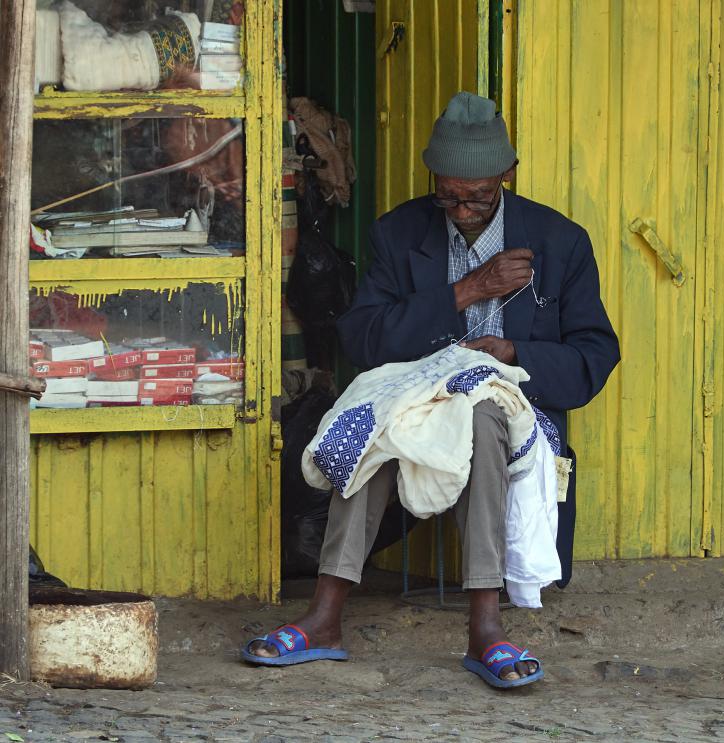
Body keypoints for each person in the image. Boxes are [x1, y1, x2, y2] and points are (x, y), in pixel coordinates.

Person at [243, 91, 619, 688]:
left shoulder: (559, 242)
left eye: (477, 197)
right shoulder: (399, 233)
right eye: (448, 195)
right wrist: (465, 291)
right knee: (377, 421)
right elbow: (363, 340)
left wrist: (514, 352)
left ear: (506, 176)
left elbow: (594, 357)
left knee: (484, 416)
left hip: (508, 411)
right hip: (414, 400)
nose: (462, 210)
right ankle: (325, 616)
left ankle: (486, 626)